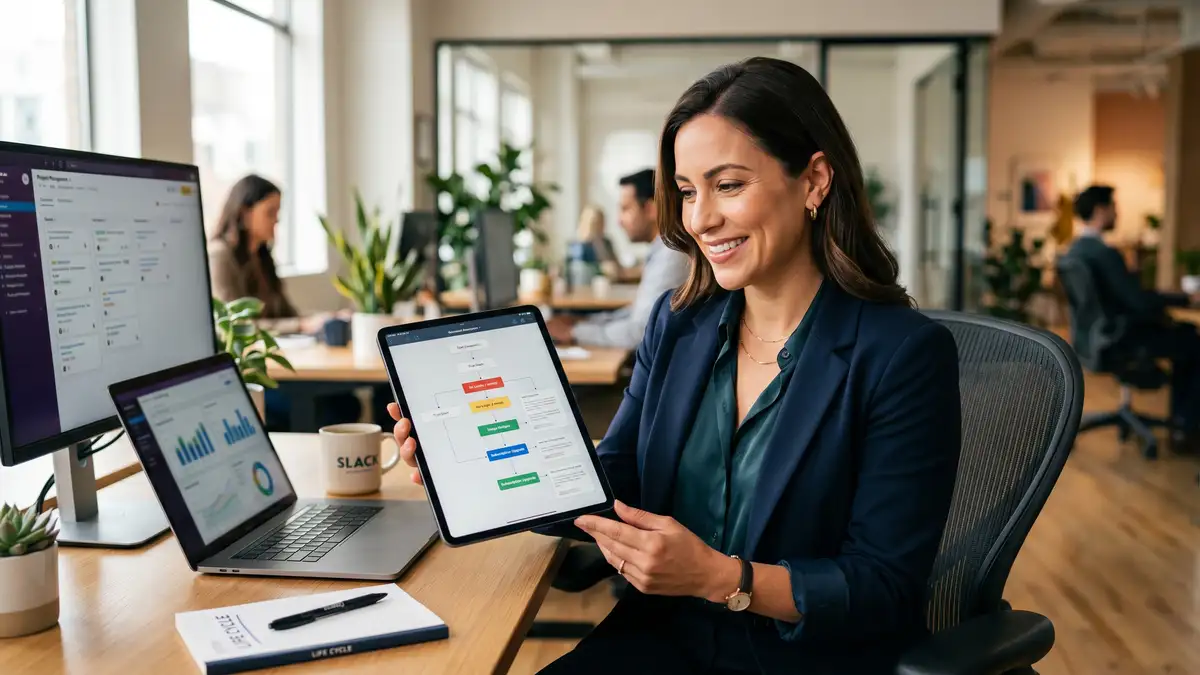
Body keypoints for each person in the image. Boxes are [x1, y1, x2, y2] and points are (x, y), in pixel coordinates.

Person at [389, 57, 962, 673]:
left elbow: (883, 587)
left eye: (729, 185)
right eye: (688, 191)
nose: (700, 219)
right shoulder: (680, 324)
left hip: (803, 661)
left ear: (814, 181)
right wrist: (488, 467)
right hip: (663, 639)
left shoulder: (902, 355)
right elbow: (617, 481)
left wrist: (721, 578)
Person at [207, 175, 360, 429]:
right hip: (251, 373)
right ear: (244, 212)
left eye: (278, 213)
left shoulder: (262, 257)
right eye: (270, 212)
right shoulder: (220, 256)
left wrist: (323, 317)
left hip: (278, 366)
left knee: (345, 402)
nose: (276, 220)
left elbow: (287, 313)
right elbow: (235, 326)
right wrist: (301, 325)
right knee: (333, 407)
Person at [1063, 185, 1200, 441]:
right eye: (1114, 207)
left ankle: (1183, 424)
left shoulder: (1074, 252)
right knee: (1192, 341)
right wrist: (1185, 298)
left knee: (1185, 337)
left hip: (1092, 340)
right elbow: (1138, 301)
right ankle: (1185, 426)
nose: (1117, 213)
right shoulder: (1104, 254)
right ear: (1100, 210)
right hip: (1120, 338)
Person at [546, 169, 689, 349]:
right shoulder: (661, 250)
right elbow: (637, 313)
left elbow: (640, 331)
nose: (619, 221)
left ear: (650, 209)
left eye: (625, 209)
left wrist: (574, 332)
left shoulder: (671, 255)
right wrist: (584, 321)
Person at [576, 204, 621, 279]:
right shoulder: (580, 246)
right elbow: (580, 269)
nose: (599, 226)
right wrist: (601, 269)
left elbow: (616, 264)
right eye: (595, 222)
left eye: (601, 222)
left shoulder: (607, 242)